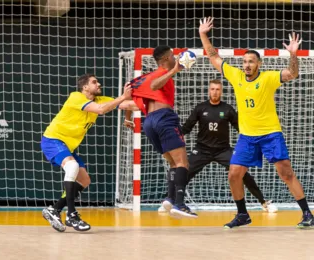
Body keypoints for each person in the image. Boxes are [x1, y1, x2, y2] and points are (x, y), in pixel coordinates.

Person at [199, 16, 313, 229]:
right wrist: (203, 34)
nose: (247, 65)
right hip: (247, 136)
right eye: (244, 62)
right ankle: (242, 214)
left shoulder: (268, 78)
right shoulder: (236, 76)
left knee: (286, 173)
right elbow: (213, 57)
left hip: (270, 133)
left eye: (251, 61)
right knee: (234, 174)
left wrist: (293, 54)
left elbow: (293, 73)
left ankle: (307, 213)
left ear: (258, 64)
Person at [159, 79, 278, 213]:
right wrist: (171, 136)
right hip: (202, 150)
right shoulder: (200, 108)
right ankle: (170, 200)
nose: (215, 92)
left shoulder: (227, 109)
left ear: (221, 92)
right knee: (184, 172)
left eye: (217, 89)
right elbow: (186, 128)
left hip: (223, 150)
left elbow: (241, 128)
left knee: (242, 173)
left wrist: (256, 138)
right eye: (212, 89)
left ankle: (264, 202)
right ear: (209, 91)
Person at [41, 74, 136, 232]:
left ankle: (54, 210)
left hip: (67, 146)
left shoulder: (100, 99)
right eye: (94, 82)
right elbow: (101, 110)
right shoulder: (75, 97)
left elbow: (128, 104)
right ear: (85, 87)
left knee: (84, 180)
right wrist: (122, 97)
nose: (99, 84)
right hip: (53, 140)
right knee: (72, 167)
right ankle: (72, 215)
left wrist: (152, 101)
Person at [124, 45, 197, 219]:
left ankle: (170, 198)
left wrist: (127, 117)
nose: (175, 57)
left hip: (149, 122)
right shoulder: (158, 75)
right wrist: (175, 70)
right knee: (182, 163)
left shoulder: (143, 78)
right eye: (172, 56)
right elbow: (155, 85)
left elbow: (127, 95)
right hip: (164, 118)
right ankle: (180, 204)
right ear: (165, 60)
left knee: (172, 162)